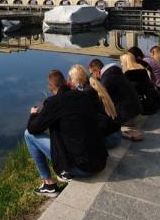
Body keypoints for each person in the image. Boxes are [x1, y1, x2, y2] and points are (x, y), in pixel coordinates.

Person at [24, 68, 107, 196]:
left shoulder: (53, 102)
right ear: (65, 82)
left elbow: (33, 129)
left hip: (81, 168)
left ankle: (49, 184)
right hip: (100, 161)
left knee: (28, 135)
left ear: (50, 87)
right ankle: (59, 176)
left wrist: (33, 115)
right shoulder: (84, 95)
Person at [88, 57, 144, 141]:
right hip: (135, 111)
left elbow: (102, 100)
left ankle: (125, 134)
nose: (92, 76)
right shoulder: (114, 72)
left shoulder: (107, 79)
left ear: (96, 71)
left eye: (91, 73)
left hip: (128, 117)